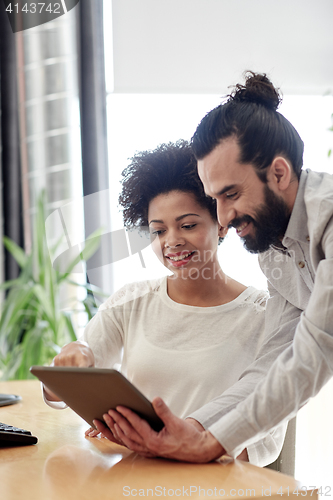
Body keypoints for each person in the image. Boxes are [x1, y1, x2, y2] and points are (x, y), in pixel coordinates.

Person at [102, 72, 333, 463]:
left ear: (279, 173)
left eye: (231, 194)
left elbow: (315, 352)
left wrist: (211, 442)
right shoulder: (276, 252)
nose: (222, 218)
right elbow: (272, 363)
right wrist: (195, 427)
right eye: (215, 199)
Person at [43, 140, 287, 466]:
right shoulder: (132, 301)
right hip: (133, 476)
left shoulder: (264, 316)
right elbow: (58, 395)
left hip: (214, 486)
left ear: (222, 224)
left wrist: (184, 445)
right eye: (159, 231)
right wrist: (71, 362)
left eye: (187, 225)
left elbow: (266, 444)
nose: (171, 241)